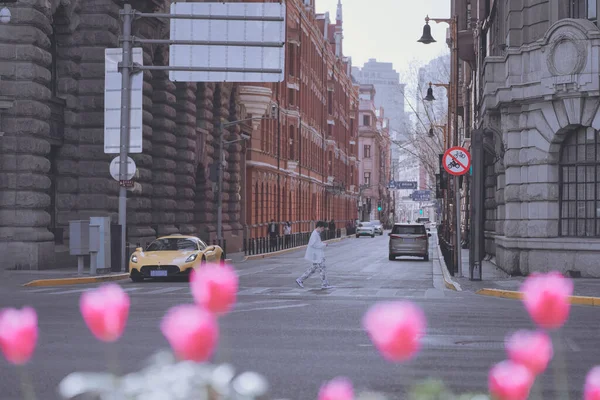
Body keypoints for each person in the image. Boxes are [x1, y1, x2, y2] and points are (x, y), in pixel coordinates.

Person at [296, 221, 333, 289]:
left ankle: (300, 279)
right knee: (322, 269)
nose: (322, 230)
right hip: (317, 255)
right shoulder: (315, 234)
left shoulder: (316, 233)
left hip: (317, 255)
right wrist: (324, 244)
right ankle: (324, 284)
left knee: (313, 269)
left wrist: (322, 244)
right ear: (319, 227)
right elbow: (314, 244)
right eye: (322, 228)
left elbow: (316, 243)